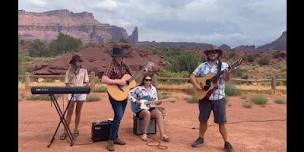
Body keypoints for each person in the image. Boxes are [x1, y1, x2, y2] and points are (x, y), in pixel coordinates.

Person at [190, 47, 234, 152]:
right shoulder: (202, 66)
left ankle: (226, 142)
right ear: (208, 54)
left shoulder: (224, 66)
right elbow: (192, 76)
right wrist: (197, 86)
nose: (212, 54)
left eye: (214, 52)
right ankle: (200, 138)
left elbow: (227, 79)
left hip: (218, 98)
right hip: (204, 97)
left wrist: (227, 73)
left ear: (218, 54)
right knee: (203, 120)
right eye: (210, 52)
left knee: (221, 122)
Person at [101, 46, 133, 151]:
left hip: (123, 94)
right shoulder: (111, 65)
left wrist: (144, 72)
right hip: (114, 94)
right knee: (118, 115)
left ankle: (115, 137)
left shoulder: (125, 65)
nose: (120, 58)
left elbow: (132, 78)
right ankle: (110, 140)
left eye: (121, 56)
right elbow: (104, 79)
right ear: (114, 57)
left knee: (119, 117)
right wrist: (118, 82)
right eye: (118, 56)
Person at [128, 75, 169, 142]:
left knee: (158, 113)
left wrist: (157, 103)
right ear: (143, 81)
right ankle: (144, 134)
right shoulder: (139, 89)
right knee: (147, 113)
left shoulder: (153, 89)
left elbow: (155, 101)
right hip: (140, 109)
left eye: (149, 80)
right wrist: (136, 101)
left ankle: (162, 135)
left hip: (150, 108)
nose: (148, 81)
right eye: (146, 80)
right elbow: (128, 94)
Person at [60, 55, 89, 140]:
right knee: (69, 111)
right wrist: (72, 89)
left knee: (78, 111)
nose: (78, 63)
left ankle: (76, 129)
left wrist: (84, 88)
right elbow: (67, 83)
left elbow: (86, 82)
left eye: (79, 62)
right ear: (73, 62)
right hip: (71, 92)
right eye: (76, 61)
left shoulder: (84, 71)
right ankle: (65, 131)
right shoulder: (69, 72)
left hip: (81, 93)